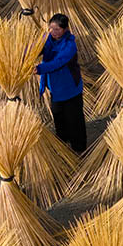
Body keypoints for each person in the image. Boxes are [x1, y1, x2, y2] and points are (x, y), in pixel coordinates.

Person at [34, 13, 87, 153]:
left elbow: (58, 62)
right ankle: (63, 147)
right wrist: (24, 56)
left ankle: (79, 149)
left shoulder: (70, 45)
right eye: (51, 28)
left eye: (57, 29)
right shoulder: (48, 38)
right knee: (59, 120)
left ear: (65, 29)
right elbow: (35, 48)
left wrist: (39, 68)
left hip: (70, 90)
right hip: (55, 90)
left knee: (74, 121)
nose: (53, 32)